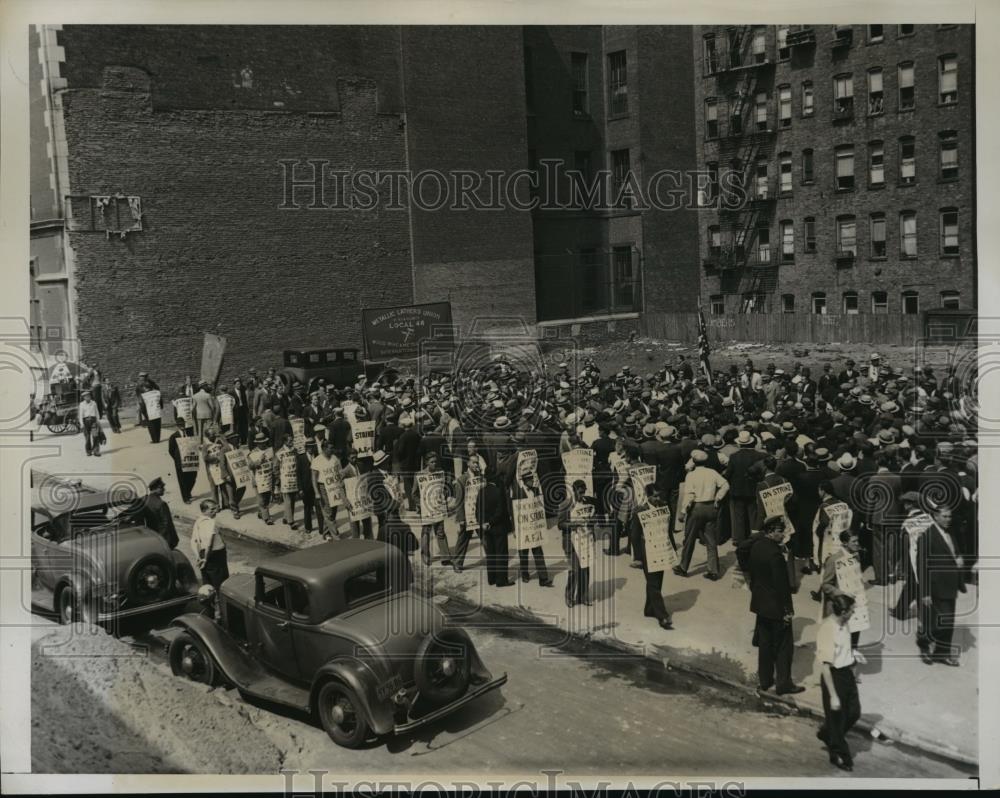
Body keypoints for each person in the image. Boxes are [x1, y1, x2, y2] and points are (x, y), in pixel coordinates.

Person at [747, 514, 804, 695]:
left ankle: (765, 681)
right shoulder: (776, 555)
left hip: (760, 604)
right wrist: (788, 610)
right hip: (776, 608)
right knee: (783, 647)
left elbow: (749, 567)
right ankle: (784, 683)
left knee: (765, 645)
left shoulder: (756, 547)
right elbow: (782, 587)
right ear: (771, 532)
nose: (783, 535)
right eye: (780, 531)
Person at [916, 503, 966, 667]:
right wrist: (925, 592)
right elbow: (922, 566)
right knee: (937, 622)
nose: (948, 519)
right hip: (935, 587)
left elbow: (955, 553)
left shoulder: (950, 534)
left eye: (950, 516)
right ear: (935, 516)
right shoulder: (926, 536)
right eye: (944, 516)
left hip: (950, 586)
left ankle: (942, 654)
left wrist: (958, 560)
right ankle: (923, 643)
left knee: (948, 622)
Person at [816, 593, 862, 772]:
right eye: (851, 610)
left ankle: (828, 734)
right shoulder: (827, 630)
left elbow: (845, 649)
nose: (853, 613)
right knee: (837, 719)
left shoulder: (844, 624)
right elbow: (825, 667)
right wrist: (833, 695)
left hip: (846, 673)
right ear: (843, 612)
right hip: (833, 677)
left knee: (854, 713)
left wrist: (853, 656)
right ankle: (840, 754)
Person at [674, 449, 729, 580]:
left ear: (693, 461)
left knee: (689, 538)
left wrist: (683, 512)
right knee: (710, 539)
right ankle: (713, 570)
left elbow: (689, 495)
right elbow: (725, 485)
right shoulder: (712, 473)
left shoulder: (691, 475)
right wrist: (718, 498)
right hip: (711, 506)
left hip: (696, 508)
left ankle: (683, 566)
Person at [631, 483, 674, 629]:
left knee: (658, 580)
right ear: (648, 496)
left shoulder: (663, 508)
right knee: (653, 583)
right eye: (655, 496)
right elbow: (635, 535)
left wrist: (672, 549)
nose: (658, 498)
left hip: (661, 548)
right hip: (647, 550)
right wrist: (637, 557)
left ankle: (649, 609)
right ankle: (662, 616)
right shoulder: (640, 511)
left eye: (659, 495)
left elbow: (667, 530)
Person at [557, 479, 597, 607]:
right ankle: (569, 596)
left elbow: (593, 519)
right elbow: (560, 524)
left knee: (585, 568)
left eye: (584, 492)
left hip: (585, 540)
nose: (582, 495)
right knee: (574, 570)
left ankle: (582, 597)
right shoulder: (565, 505)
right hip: (571, 541)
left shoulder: (587, 503)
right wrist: (574, 524)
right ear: (573, 491)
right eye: (580, 492)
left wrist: (592, 521)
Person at [511, 469, 553, 586]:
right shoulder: (517, 493)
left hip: (534, 527)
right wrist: (514, 528)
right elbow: (513, 511)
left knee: (538, 552)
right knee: (523, 553)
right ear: (524, 481)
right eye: (530, 479)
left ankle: (543, 579)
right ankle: (525, 574)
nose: (532, 481)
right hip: (523, 528)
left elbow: (540, 508)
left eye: (532, 479)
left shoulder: (535, 491)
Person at [412, 452, 453, 565]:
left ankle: (445, 557)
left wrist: (443, 496)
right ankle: (425, 555)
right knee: (426, 532)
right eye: (432, 462)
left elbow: (444, 488)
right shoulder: (419, 475)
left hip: (438, 508)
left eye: (435, 462)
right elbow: (414, 494)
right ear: (426, 462)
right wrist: (420, 504)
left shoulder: (440, 473)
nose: (434, 464)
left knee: (440, 531)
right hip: (426, 510)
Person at [476, 464, 514, 587]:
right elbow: (500, 511)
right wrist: (491, 522)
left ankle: (491, 578)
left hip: (486, 528)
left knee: (491, 553)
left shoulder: (481, 492)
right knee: (501, 553)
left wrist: (483, 523)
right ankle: (501, 580)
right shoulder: (498, 492)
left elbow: (477, 511)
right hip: (498, 527)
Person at [191, 499, 228, 590]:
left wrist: (199, 557)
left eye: (215, 509)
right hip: (215, 555)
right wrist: (206, 559)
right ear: (204, 511)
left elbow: (193, 541)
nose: (215, 511)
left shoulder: (198, 521)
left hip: (203, 553)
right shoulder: (210, 522)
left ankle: (208, 599)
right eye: (212, 510)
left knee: (207, 581)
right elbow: (209, 544)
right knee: (220, 582)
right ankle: (219, 600)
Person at [166, 418, 198, 504]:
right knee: (182, 480)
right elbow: (171, 450)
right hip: (180, 462)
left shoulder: (190, 434)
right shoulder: (173, 436)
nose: (182, 426)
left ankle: (188, 492)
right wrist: (177, 459)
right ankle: (186, 498)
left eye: (183, 424)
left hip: (190, 460)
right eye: (180, 425)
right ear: (177, 426)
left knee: (193, 477)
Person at [247, 431, 276, 525]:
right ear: (257, 443)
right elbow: (250, 466)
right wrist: (259, 461)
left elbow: (274, 462)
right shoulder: (253, 453)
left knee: (267, 498)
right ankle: (267, 518)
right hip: (258, 479)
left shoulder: (270, 450)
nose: (263, 444)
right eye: (261, 442)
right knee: (261, 500)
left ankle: (261, 512)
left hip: (269, 478)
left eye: (264, 442)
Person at [143, 477, 179, 549]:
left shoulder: (144, 500)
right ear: (157, 488)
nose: (164, 490)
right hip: (163, 540)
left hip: (150, 538)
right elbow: (167, 524)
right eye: (162, 488)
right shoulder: (161, 504)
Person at [78, 389, 102, 457]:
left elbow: (97, 412)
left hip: (93, 421)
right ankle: (88, 451)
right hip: (86, 421)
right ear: (84, 397)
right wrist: (82, 424)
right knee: (87, 437)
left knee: (95, 436)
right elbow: (81, 415)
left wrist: (98, 420)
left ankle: (96, 451)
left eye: (88, 396)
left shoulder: (94, 403)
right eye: (86, 396)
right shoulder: (82, 404)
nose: (87, 397)